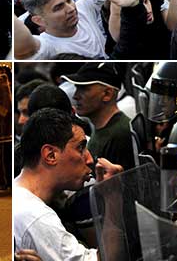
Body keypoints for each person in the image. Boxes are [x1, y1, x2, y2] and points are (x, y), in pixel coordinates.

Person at [14, 108, 123, 261]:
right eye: (81, 148)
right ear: (50, 155)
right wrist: (113, 196)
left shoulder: (19, 197)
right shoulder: (36, 217)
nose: (90, 159)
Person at [61, 63, 135, 171]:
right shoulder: (101, 127)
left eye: (83, 89)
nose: (75, 96)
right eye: (77, 88)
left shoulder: (121, 134)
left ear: (107, 94)